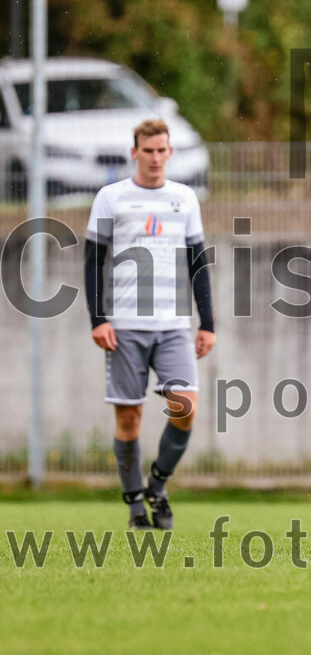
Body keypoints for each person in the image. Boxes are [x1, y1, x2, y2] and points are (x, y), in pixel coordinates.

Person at [85, 119, 215, 530]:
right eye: (148, 150)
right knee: (129, 419)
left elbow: (198, 261)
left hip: (174, 325)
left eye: (162, 150)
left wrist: (207, 323)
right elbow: (93, 261)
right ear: (134, 152)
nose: (156, 158)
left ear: (170, 153)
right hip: (124, 327)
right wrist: (98, 319)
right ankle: (136, 509)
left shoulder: (185, 198)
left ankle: (157, 485)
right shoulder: (112, 197)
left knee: (185, 409)